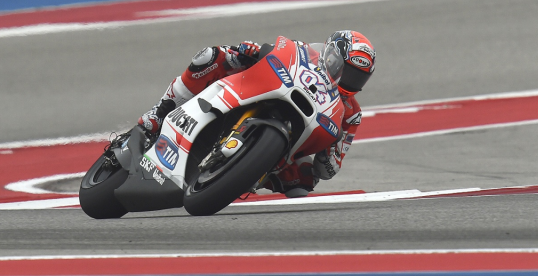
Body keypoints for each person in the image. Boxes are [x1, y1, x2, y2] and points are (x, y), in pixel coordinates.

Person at [138, 30, 375, 197]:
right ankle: (159, 113)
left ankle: (248, 173)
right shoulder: (304, 51)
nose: (350, 81)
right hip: (260, 89)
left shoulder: (351, 114)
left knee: (302, 182)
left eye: (358, 78)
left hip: (295, 139)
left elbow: (329, 169)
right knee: (210, 57)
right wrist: (251, 51)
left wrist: (331, 151)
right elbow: (277, 53)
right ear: (332, 56)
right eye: (347, 71)